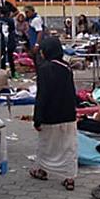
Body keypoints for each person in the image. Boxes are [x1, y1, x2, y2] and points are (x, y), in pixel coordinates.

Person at [30, 38, 78, 190]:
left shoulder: (44, 69)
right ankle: (69, 178)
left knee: (46, 145)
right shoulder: (66, 67)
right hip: (68, 114)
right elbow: (72, 92)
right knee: (68, 146)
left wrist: (37, 118)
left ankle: (42, 171)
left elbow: (42, 96)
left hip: (50, 115)